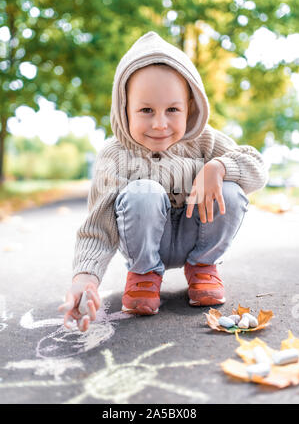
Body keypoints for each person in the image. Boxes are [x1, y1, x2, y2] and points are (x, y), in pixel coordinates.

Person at [58, 31, 268, 331]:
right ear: (124, 109)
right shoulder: (116, 155)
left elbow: (257, 166)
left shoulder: (204, 141)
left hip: (196, 234)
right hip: (143, 242)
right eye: (145, 110)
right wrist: (85, 279)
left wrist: (219, 166)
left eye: (172, 109)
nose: (159, 123)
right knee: (143, 192)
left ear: (190, 108)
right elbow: (98, 227)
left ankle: (203, 268)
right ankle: (144, 275)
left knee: (230, 190)